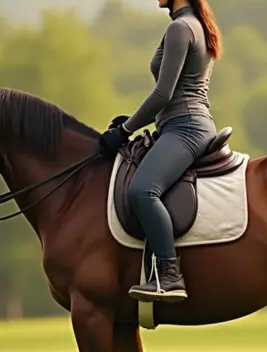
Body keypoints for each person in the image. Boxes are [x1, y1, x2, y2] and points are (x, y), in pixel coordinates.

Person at [99, 0, 223, 303]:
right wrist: (130, 122)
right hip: (179, 124)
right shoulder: (194, 24)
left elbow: (162, 93)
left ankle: (170, 276)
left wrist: (125, 130)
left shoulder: (181, 28)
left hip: (186, 127)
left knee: (142, 190)